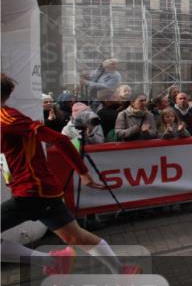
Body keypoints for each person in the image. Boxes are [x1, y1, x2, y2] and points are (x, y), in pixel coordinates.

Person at [0, 74, 139, 274]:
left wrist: (82, 172)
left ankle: (51, 262)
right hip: (41, 191)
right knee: (75, 237)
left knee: (76, 237)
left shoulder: (9, 119)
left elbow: (61, 140)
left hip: (32, 191)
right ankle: (122, 272)